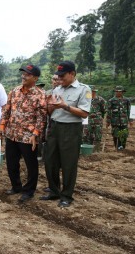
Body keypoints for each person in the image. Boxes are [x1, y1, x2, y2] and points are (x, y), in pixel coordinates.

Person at [41, 61, 91, 208]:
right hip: (54, 127)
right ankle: (54, 190)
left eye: (63, 76)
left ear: (72, 74)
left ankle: (66, 195)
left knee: (69, 163)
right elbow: (51, 112)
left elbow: (84, 113)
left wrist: (65, 106)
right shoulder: (57, 89)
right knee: (50, 161)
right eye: (59, 76)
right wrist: (49, 106)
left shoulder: (83, 89)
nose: (60, 79)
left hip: (70, 129)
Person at [0, 64, 47, 203]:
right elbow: (6, 110)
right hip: (12, 134)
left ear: (35, 78)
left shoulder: (40, 94)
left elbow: (41, 117)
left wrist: (35, 134)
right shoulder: (14, 91)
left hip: (28, 136)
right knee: (11, 163)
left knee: (31, 165)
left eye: (28, 74)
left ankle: (29, 191)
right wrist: (2, 126)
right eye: (23, 74)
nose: (24, 76)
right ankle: (16, 186)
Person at [106, 86, 133, 150]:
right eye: (117, 91)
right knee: (115, 135)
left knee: (124, 135)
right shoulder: (111, 100)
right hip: (115, 121)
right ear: (115, 92)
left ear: (122, 92)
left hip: (124, 121)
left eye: (120, 91)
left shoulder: (127, 100)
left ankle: (122, 148)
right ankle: (117, 147)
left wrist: (131, 120)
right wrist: (108, 121)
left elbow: (129, 110)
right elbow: (109, 111)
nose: (118, 93)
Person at [82, 86, 106, 151]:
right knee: (86, 135)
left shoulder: (100, 100)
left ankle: (96, 150)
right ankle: (86, 150)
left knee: (98, 135)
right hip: (86, 120)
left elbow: (103, 111)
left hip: (97, 121)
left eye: (92, 91)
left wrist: (99, 117)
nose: (90, 93)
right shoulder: (84, 99)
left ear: (95, 92)